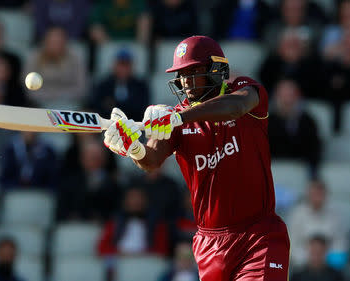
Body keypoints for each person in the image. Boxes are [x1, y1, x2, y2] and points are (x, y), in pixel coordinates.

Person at [103, 35, 290, 280]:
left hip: (259, 235)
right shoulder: (176, 118)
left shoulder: (245, 90)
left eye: (192, 71)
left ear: (215, 70)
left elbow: (235, 107)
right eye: (180, 74)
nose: (185, 82)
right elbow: (151, 161)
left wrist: (179, 117)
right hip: (210, 245)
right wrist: (133, 148)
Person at [288, 180, 347, 267]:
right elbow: (292, 243)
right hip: (303, 263)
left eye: (320, 194)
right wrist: (309, 259)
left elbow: (340, 242)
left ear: (326, 195)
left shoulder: (335, 214)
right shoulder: (297, 214)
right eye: (314, 194)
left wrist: (325, 259)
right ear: (308, 195)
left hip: (329, 263)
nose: (317, 197)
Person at [23, 26, 87, 107]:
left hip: (69, 103)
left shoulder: (76, 58)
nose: (55, 45)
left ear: (65, 42)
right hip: (38, 103)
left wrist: (60, 95)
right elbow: (28, 86)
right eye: (52, 42)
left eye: (59, 42)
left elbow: (81, 88)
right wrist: (49, 96)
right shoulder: (33, 57)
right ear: (45, 41)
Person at [268, 79, 321, 175]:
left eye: (291, 96)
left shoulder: (307, 121)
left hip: (301, 170)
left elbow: (314, 150)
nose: (287, 100)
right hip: (273, 170)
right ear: (276, 97)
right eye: (283, 96)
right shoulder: (265, 122)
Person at [97, 186, 170, 257]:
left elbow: (161, 251)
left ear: (146, 201)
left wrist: (142, 254)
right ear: (125, 201)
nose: (136, 201)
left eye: (139, 198)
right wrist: (119, 253)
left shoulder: (157, 223)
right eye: (132, 198)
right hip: (119, 260)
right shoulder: (115, 222)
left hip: (145, 262)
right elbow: (102, 248)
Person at [89, 48, 150, 121]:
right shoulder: (103, 85)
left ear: (132, 66)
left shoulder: (141, 86)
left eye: (126, 65)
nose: (123, 68)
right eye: (121, 64)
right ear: (114, 65)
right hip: (108, 127)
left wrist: (113, 105)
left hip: (134, 128)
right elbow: (97, 107)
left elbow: (142, 109)